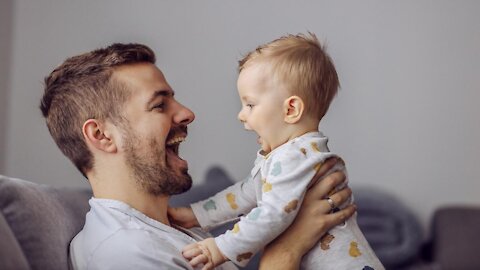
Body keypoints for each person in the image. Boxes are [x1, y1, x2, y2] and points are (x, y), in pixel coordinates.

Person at [40, 43, 356, 270]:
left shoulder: (168, 230)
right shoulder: (124, 254)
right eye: (159, 105)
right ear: (101, 136)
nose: (188, 113)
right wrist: (286, 249)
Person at [169, 33, 384, 270]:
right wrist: (195, 215)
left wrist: (222, 247)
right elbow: (245, 194)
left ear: (291, 109)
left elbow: (271, 215)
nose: (241, 115)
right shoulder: (290, 155)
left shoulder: (296, 156)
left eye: (250, 105)